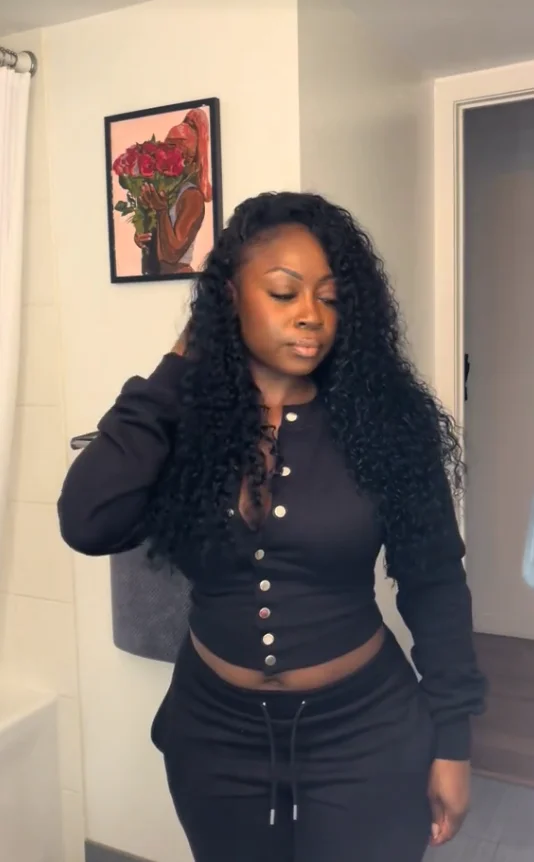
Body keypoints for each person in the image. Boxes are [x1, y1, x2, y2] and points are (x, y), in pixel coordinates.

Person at [58, 191, 486, 862]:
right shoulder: (186, 421)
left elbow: (434, 584)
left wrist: (454, 741)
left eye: (330, 298)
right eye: (284, 293)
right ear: (230, 297)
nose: (311, 314)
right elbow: (87, 521)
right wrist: (179, 363)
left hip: (364, 734)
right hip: (214, 735)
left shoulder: (386, 425)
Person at [135, 108, 212, 275]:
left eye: (172, 147)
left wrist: (161, 210)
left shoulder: (192, 196)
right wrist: (141, 235)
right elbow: (154, 236)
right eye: (166, 145)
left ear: (187, 159)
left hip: (177, 278)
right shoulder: (162, 189)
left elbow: (171, 254)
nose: (163, 154)